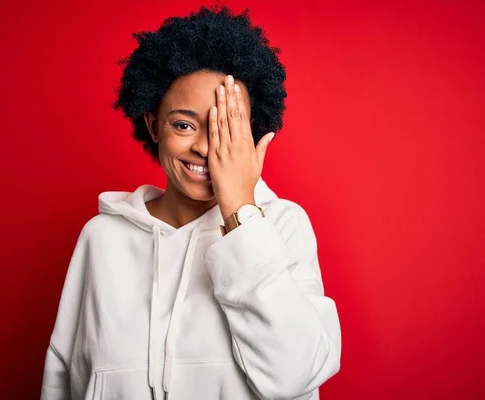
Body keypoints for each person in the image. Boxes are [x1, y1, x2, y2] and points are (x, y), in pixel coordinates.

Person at [41, 6, 341, 400]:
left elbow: (295, 375)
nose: (203, 147)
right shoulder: (102, 238)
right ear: (153, 125)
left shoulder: (283, 225)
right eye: (184, 124)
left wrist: (240, 213)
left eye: (225, 128)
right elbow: (64, 375)